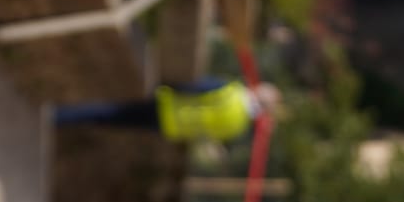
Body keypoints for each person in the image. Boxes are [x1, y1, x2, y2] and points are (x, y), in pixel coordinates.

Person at [52, 78, 280, 145]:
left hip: (165, 105)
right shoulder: (238, 127)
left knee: (109, 110)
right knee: (111, 121)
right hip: (169, 129)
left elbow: (194, 87)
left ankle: (60, 116)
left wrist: (167, 84)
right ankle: (67, 121)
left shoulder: (232, 92)